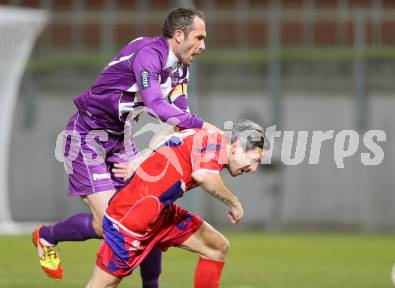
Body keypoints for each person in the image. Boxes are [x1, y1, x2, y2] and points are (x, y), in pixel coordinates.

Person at [32, 7, 220, 287]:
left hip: (120, 139)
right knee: (110, 224)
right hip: (87, 136)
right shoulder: (148, 54)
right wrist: (205, 127)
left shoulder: (181, 67)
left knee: (149, 211)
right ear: (179, 35)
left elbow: (181, 117)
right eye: (200, 37)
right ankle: (47, 235)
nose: (204, 45)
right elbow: (157, 104)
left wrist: (212, 142)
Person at [85, 120, 267, 288]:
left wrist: (142, 159)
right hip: (131, 217)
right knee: (103, 284)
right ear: (236, 147)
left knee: (216, 247)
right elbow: (204, 177)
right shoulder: (212, 143)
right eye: (254, 160)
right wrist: (234, 203)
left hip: (160, 213)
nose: (253, 169)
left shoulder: (207, 137)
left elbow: (173, 127)